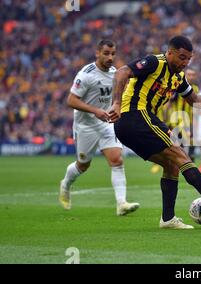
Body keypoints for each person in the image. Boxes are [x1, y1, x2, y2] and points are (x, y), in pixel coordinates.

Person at [109, 35, 201, 229]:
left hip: (135, 124)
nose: (185, 63)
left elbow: (195, 100)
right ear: (169, 53)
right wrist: (117, 103)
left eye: (188, 59)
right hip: (135, 116)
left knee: (172, 165)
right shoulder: (154, 62)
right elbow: (121, 73)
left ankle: (168, 219)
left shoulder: (178, 78)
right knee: (180, 155)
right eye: (181, 57)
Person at [59, 39, 140, 216]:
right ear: (97, 53)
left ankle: (121, 204)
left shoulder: (115, 74)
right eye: (106, 53)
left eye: (113, 54)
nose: (110, 57)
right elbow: (71, 100)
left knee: (117, 160)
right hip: (85, 125)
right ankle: (65, 184)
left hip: (106, 122)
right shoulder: (86, 74)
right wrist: (95, 111)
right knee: (83, 165)